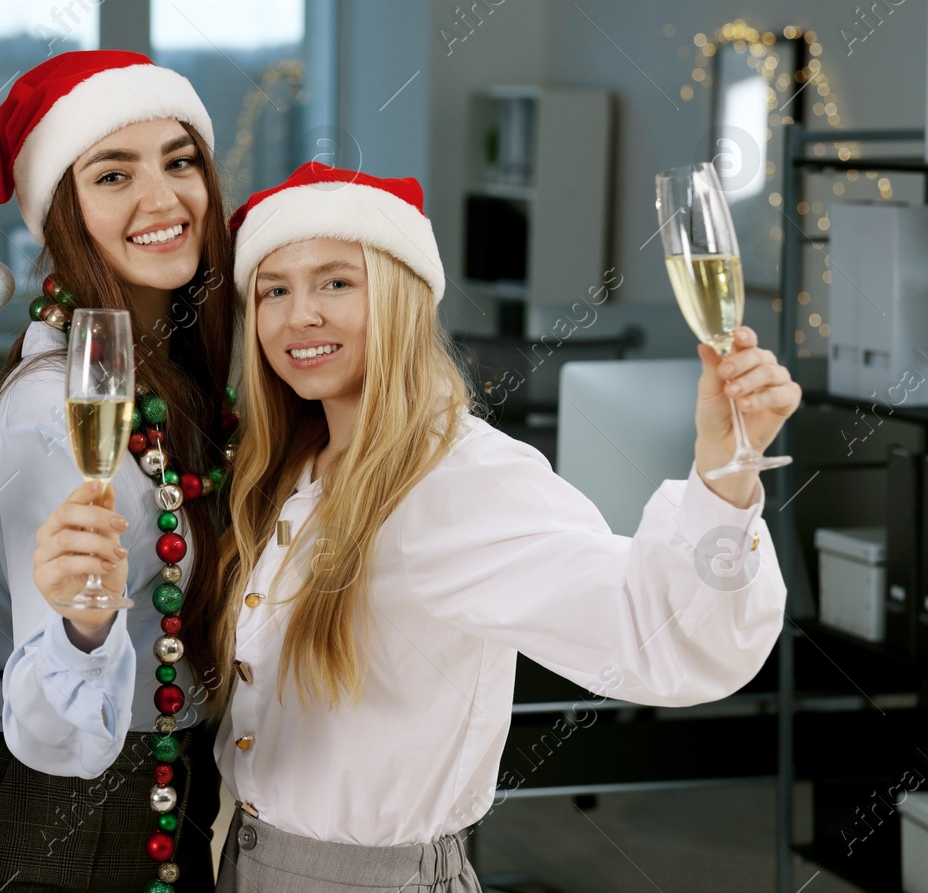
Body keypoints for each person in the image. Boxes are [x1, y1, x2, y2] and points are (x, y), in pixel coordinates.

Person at [202, 163, 796, 893]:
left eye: (335, 282)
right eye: (274, 290)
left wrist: (723, 470)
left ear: (400, 300)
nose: (300, 315)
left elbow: (658, 638)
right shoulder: (286, 468)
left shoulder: (458, 481)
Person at [0, 51, 238, 892]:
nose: (161, 199)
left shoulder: (191, 382)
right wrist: (85, 624)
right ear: (62, 213)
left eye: (180, 160)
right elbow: (49, 711)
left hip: (165, 802)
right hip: (52, 823)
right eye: (113, 174)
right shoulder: (55, 407)